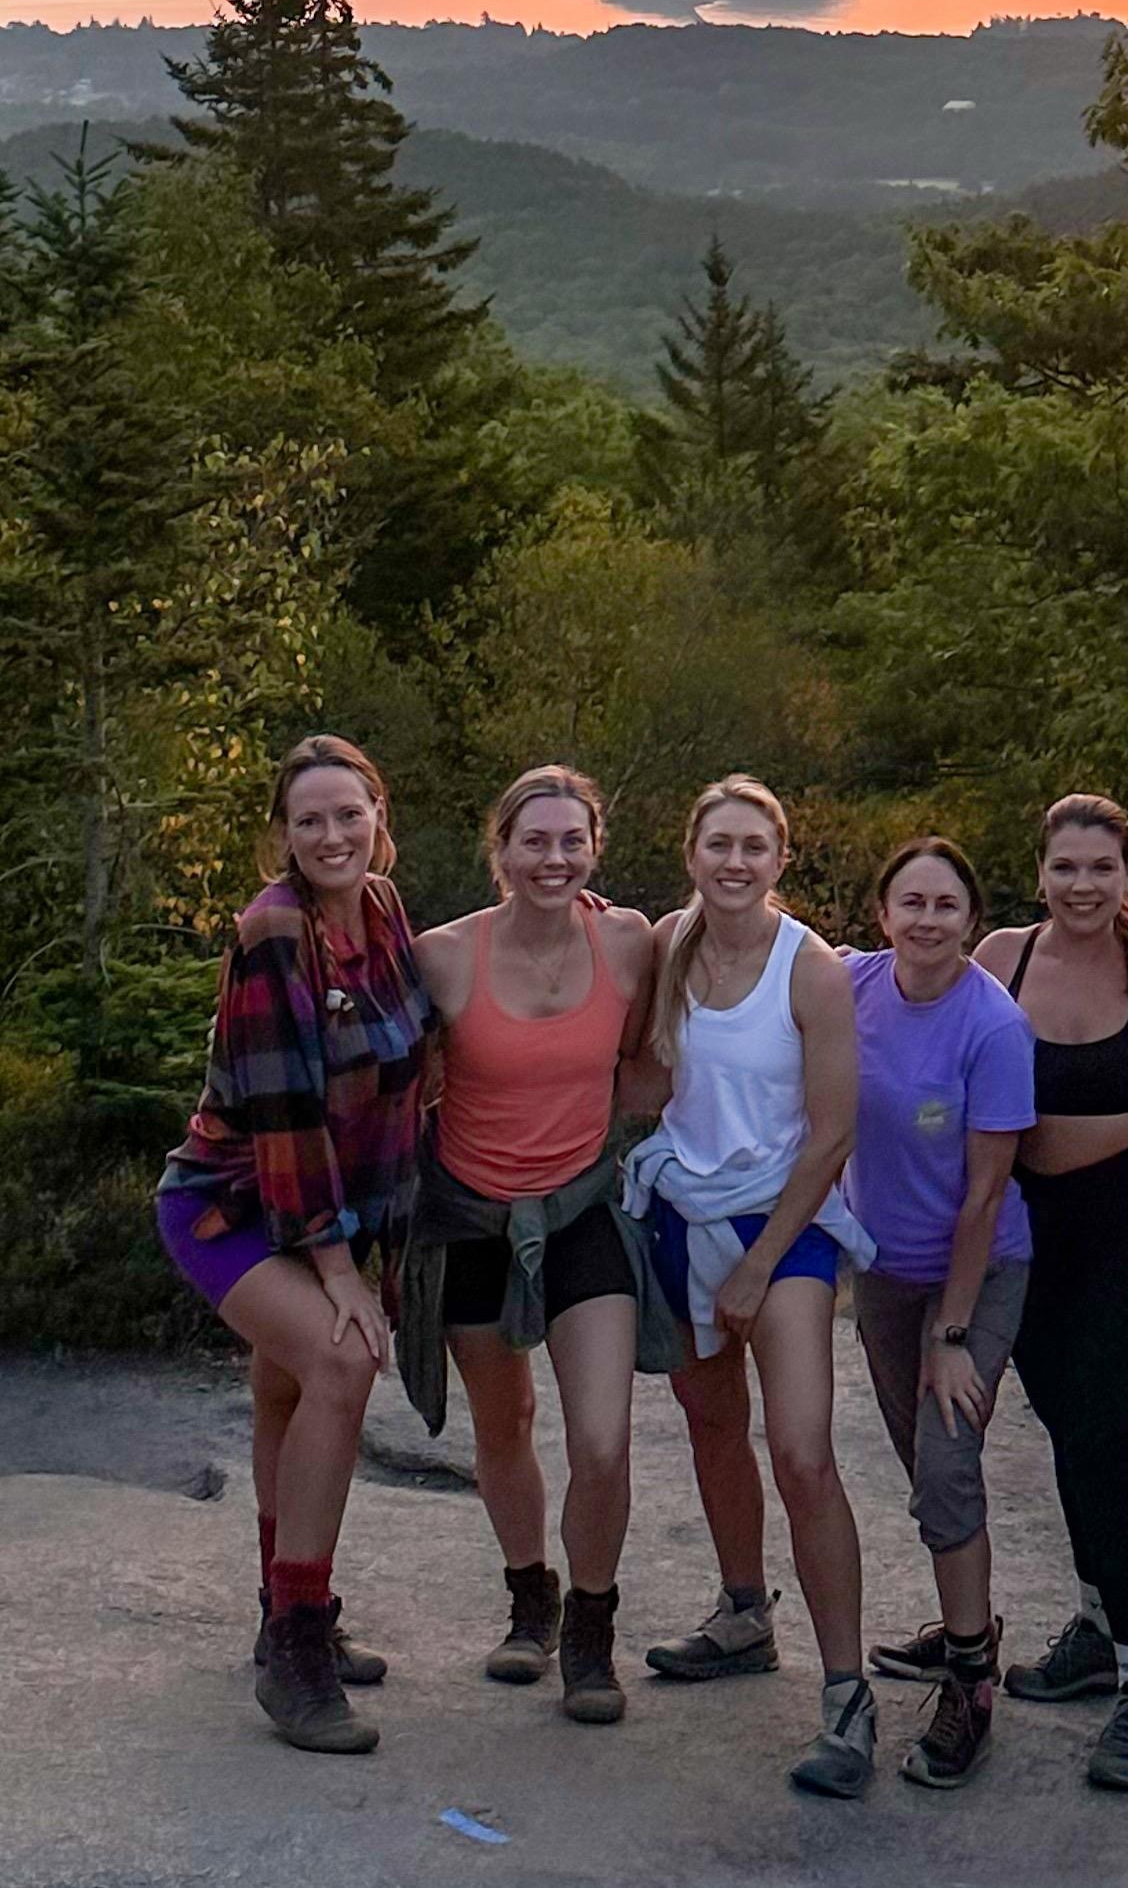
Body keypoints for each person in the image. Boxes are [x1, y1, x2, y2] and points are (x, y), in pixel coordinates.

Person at [157, 734, 431, 1758]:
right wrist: (338, 1270)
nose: (331, 836)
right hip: (231, 1208)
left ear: (377, 817)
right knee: (341, 1359)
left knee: (285, 1394)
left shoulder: (387, 911)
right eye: (309, 820)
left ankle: (285, 1610)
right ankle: (298, 1647)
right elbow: (283, 1114)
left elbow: (410, 1074)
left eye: (348, 814)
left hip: (327, 1214)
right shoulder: (274, 933)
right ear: (282, 834)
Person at [622, 776, 880, 1799]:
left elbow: (834, 1134)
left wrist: (761, 1264)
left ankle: (850, 1695)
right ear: (692, 850)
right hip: (680, 1208)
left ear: (781, 858)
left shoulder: (809, 970)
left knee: (804, 1451)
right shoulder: (668, 946)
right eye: (718, 844)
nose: (735, 863)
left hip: (786, 1223)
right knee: (710, 1423)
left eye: (754, 848)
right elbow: (648, 1081)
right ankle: (743, 1613)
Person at [406, 767, 659, 1725]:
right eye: (534, 841)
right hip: (471, 1217)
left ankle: (591, 1632)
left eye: (572, 841)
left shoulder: (631, 942)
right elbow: (395, 1070)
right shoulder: (444, 957)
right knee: (503, 1426)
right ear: (500, 851)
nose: (553, 858)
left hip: (581, 1211)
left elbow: (665, 1049)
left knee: (601, 1438)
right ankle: (531, 1602)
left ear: (595, 847)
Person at [976, 795, 1128, 1793]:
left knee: (1108, 1444)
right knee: (1071, 1438)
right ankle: (1100, 1626)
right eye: (1064, 866)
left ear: (1127, 875)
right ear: (1039, 871)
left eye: (1100, 868)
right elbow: (1017, 1141)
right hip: (1031, 1252)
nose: (1080, 885)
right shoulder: (1000, 962)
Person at [844, 838, 1038, 1788]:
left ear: (971, 919)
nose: (926, 920)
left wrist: (954, 1336)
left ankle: (973, 1682)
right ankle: (970, 1623)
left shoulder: (993, 1026)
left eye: (946, 906)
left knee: (948, 1465)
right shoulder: (851, 987)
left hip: (978, 1271)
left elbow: (986, 1191)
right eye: (910, 902)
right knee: (924, 1465)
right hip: (880, 1273)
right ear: (884, 914)